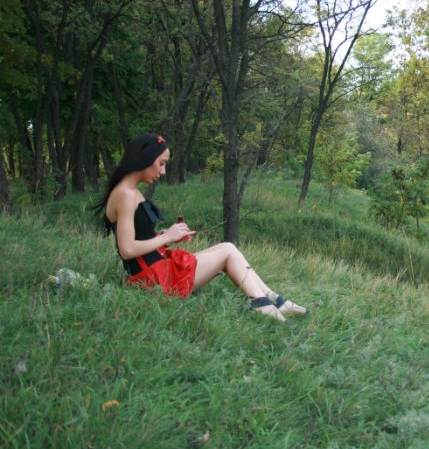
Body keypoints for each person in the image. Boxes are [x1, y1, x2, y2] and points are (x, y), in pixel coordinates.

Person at [93, 132, 306, 324]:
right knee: (228, 252)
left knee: (227, 246)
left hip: (157, 269)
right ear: (145, 158)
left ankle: (272, 299)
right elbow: (127, 249)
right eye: (161, 163)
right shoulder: (126, 194)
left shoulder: (130, 192)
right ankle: (262, 304)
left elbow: (138, 238)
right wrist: (166, 235)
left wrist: (166, 237)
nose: (164, 171)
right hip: (154, 280)